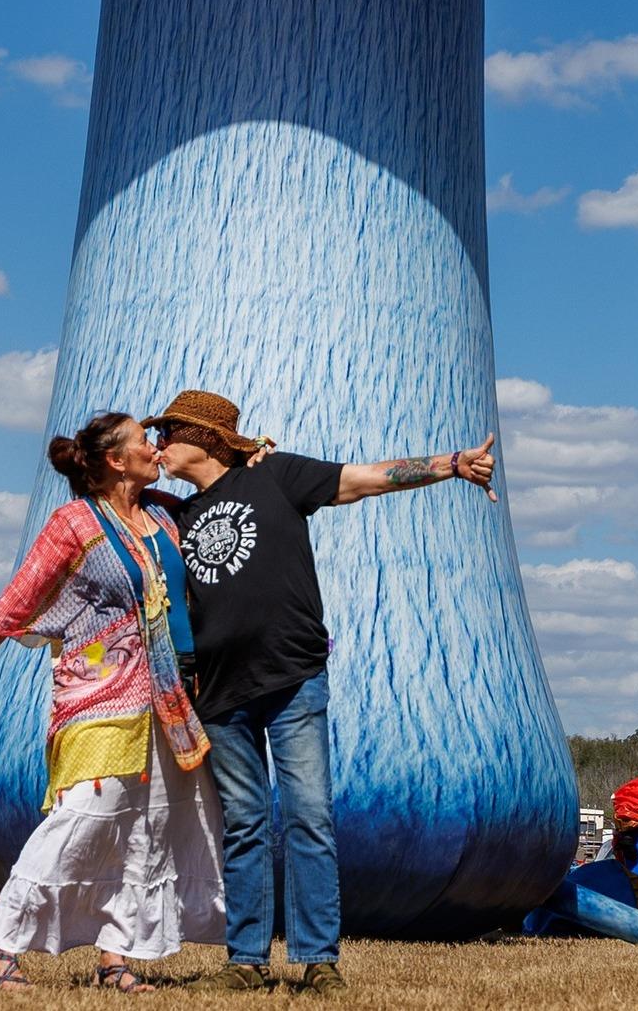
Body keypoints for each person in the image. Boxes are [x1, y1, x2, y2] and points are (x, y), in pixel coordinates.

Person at [147, 389, 497, 995]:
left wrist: (452, 464)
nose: (159, 447)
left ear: (203, 436)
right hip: (221, 694)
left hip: (293, 679)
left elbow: (367, 479)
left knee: (309, 817)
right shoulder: (175, 516)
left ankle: (318, 960)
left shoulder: (278, 476)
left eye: (167, 434)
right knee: (245, 825)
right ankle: (246, 961)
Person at [0, 413, 224, 993]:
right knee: (83, 817)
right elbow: (18, 599)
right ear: (116, 459)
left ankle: (117, 958)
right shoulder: (75, 522)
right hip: (99, 696)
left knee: (152, 827)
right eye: (144, 440)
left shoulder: (164, 515)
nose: (154, 447)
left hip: (171, 699)